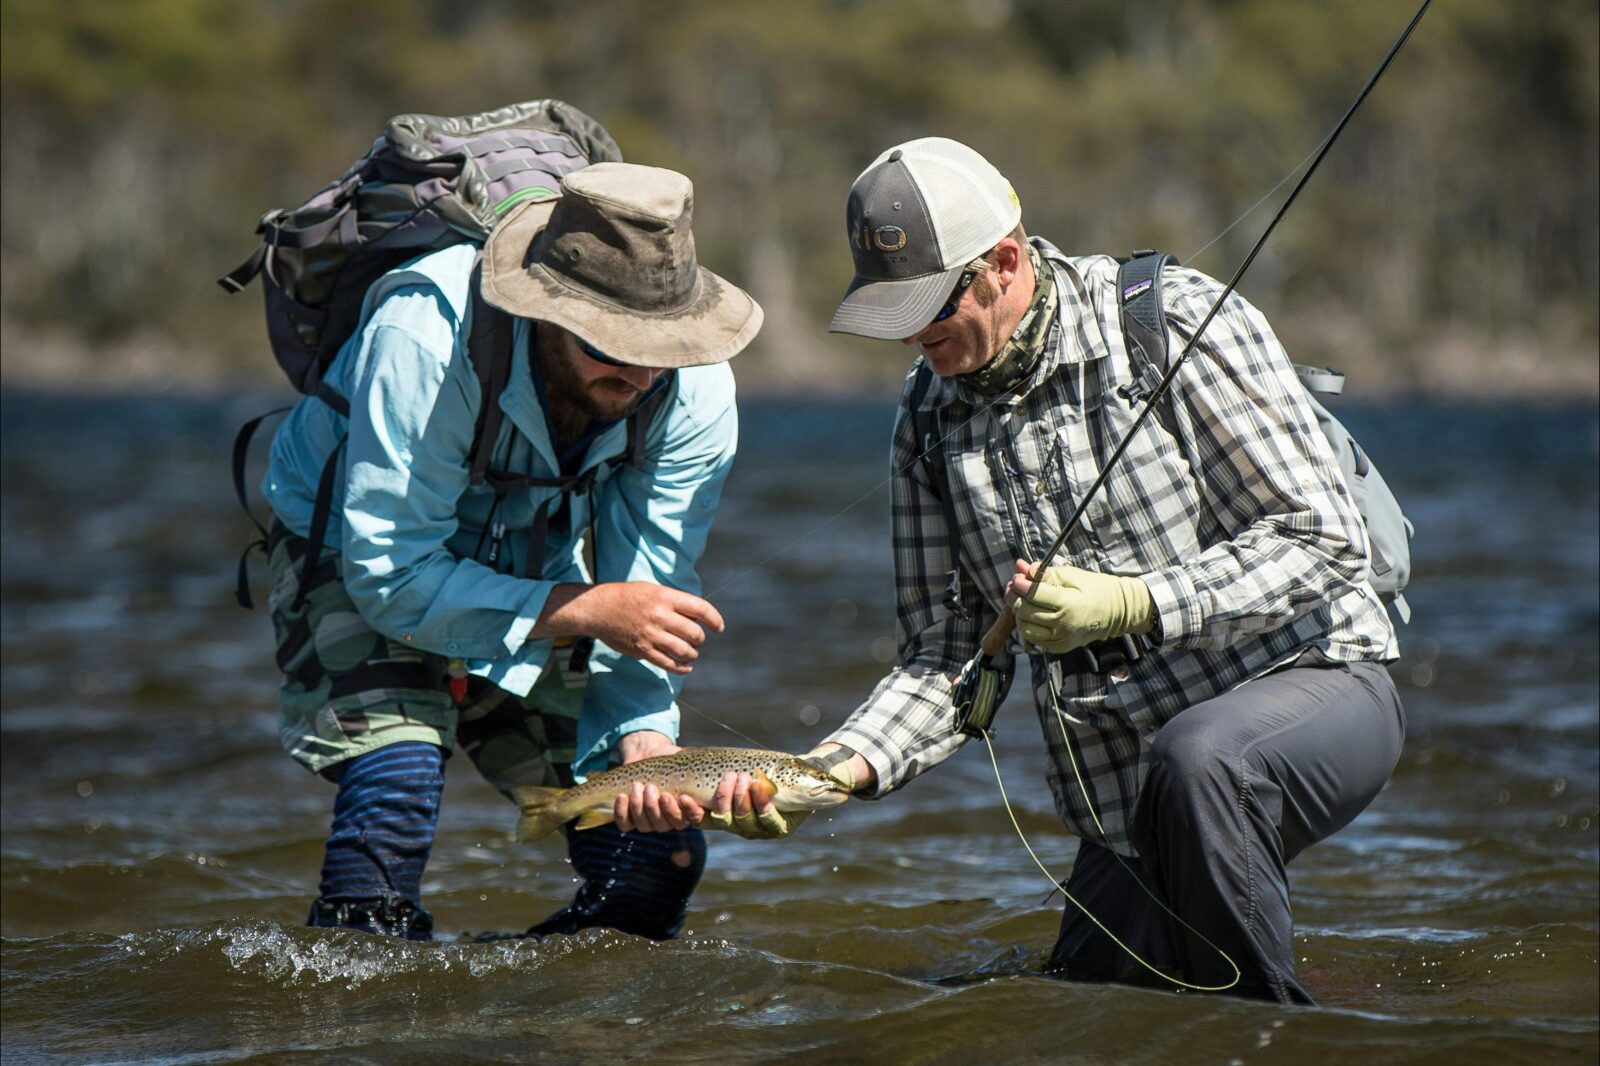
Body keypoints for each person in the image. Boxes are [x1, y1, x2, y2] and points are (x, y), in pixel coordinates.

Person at [799, 137, 1405, 1004]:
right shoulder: (925, 417)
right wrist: (837, 770)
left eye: (928, 303)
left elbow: (1325, 538)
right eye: (890, 309)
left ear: (1003, 263)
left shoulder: (1177, 322)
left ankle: (1278, 1042)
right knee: (1079, 1003)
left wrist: (1140, 602)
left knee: (1203, 762)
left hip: (1320, 682)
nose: (909, 331)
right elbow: (947, 657)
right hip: (1127, 803)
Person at [260, 162, 765, 942]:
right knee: (395, 784)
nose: (638, 373)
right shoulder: (425, 336)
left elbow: (648, 597)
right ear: (546, 313)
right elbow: (392, 577)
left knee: (658, 863)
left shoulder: (693, 395)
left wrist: (645, 747)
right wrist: (588, 608)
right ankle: (350, 1016)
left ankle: (535, 1016)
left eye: (657, 347)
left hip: (529, 566)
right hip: (359, 552)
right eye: (611, 344)